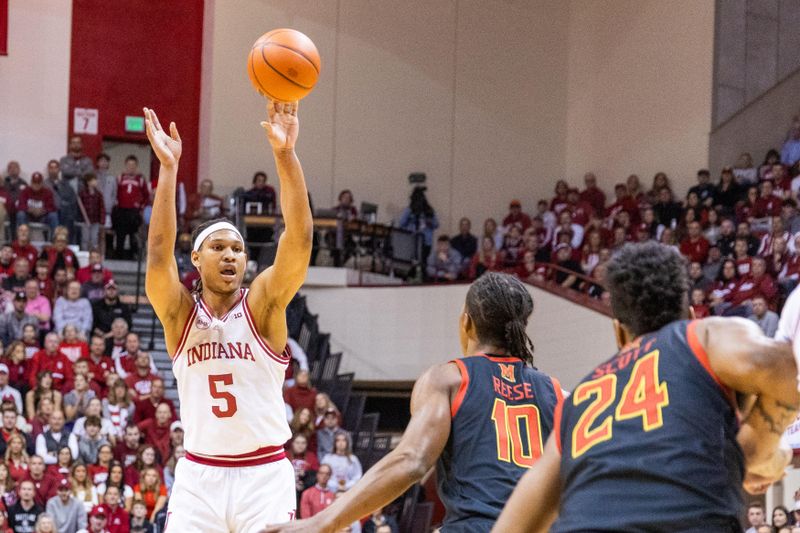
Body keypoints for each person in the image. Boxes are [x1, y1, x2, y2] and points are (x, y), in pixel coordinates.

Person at [492, 241, 800, 532]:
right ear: (691, 314)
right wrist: (763, 446)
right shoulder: (702, 337)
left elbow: (512, 526)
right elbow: (788, 367)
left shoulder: (578, 401)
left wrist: (756, 456)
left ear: (619, 331)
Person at [265, 272, 563, 532]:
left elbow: (412, 461)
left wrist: (322, 522)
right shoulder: (556, 391)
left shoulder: (449, 379)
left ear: (466, 322)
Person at [143, 101, 312, 530]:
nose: (231, 256)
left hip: (264, 475)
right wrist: (168, 169)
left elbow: (300, 239)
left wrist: (284, 154)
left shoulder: (263, 305)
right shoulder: (180, 314)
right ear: (197, 259)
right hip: (199, 477)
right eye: (219, 248)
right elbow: (160, 255)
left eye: (237, 249)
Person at [113, 155, 148, 260]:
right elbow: (115, 193)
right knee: (120, 234)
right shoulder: (120, 178)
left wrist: (140, 206)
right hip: (121, 210)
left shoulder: (140, 179)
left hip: (134, 211)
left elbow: (146, 195)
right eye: (129, 165)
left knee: (134, 234)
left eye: (133, 165)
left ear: (136, 166)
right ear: (125, 165)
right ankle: (119, 256)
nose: (131, 167)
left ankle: (133, 256)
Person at [398, 186, 439, 269]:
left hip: (426, 242)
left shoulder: (429, 210)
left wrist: (429, 221)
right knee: (411, 265)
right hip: (412, 241)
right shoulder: (409, 210)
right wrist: (410, 212)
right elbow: (401, 223)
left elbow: (436, 224)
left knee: (423, 265)